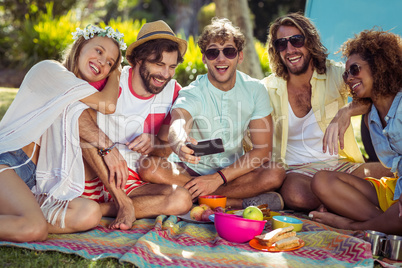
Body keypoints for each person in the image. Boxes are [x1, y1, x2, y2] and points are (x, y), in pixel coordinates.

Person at [139, 17, 285, 210]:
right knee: (148, 166)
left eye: (229, 51)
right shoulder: (193, 91)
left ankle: (196, 197)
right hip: (189, 172)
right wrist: (179, 142)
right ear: (204, 58)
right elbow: (179, 122)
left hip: (231, 174)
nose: (221, 58)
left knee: (275, 172)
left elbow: (263, 150)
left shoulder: (255, 89)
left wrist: (217, 178)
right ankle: (236, 203)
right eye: (213, 52)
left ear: (240, 56)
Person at [0, 24, 125, 242]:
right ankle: (25, 221)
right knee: (34, 229)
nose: (102, 62)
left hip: (32, 182)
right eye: (99, 51)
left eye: (110, 63)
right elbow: (108, 104)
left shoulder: (79, 102)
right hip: (8, 162)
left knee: (90, 213)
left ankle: (17, 217)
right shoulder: (49, 70)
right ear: (81, 45)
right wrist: (116, 72)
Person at [262, 13, 392, 212]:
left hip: (342, 167)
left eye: (296, 40)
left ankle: (336, 205)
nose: (290, 49)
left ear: (310, 42)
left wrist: (346, 111)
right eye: (282, 44)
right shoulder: (268, 88)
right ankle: (352, 205)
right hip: (298, 173)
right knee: (294, 193)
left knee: (392, 170)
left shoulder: (335, 74)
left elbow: (375, 91)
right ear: (276, 50)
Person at [79, 20, 192, 230]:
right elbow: (76, 119)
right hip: (93, 168)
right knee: (84, 136)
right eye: (158, 64)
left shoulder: (174, 91)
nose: (165, 74)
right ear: (138, 59)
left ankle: (105, 209)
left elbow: (165, 148)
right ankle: (118, 203)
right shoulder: (111, 79)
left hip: (130, 178)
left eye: (172, 67)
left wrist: (155, 142)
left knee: (182, 199)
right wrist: (107, 149)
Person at [309, 29, 402, 235]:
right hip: (395, 189)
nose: (349, 78)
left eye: (355, 69)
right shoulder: (372, 117)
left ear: (379, 67)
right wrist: (347, 110)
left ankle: (350, 226)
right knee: (322, 181)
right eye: (346, 73)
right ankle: (383, 224)